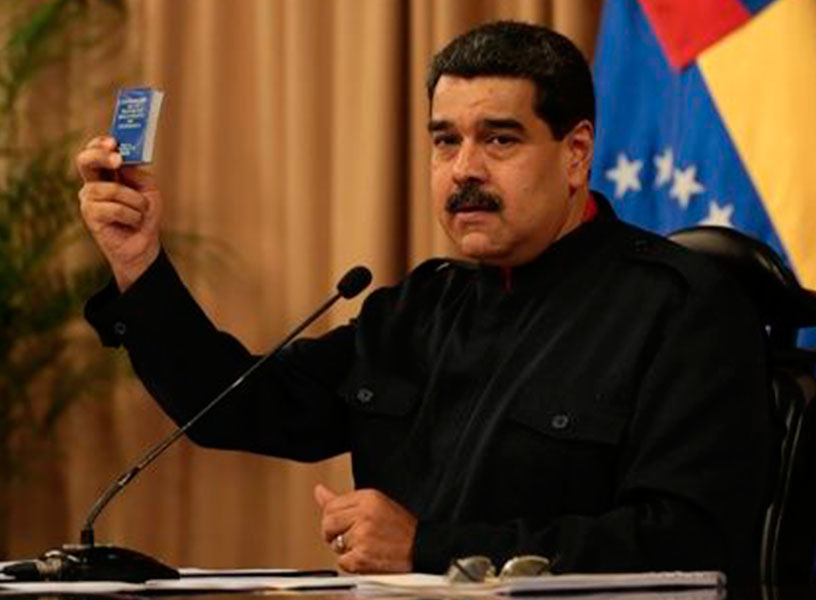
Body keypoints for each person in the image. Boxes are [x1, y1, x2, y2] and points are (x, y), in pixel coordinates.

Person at [75, 21, 771, 579]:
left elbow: (688, 544)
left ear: (576, 153)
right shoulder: (420, 309)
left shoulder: (682, 308)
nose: (465, 169)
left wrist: (429, 547)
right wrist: (140, 266)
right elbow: (233, 406)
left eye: (500, 139)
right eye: (446, 141)